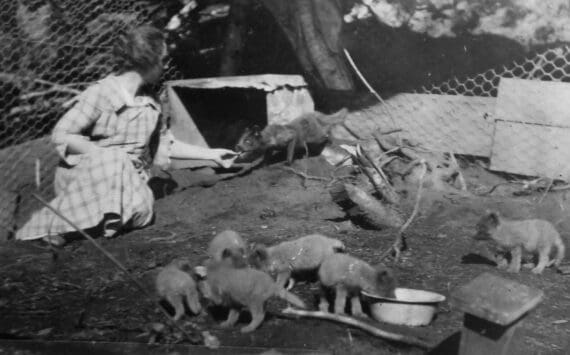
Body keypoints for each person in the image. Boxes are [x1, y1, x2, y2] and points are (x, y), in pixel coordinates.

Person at [16, 25, 237, 246]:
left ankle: (87, 224)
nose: (167, 64)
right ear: (148, 60)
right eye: (164, 58)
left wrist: (212, 155)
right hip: (88, 176)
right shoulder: (102, 93)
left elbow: (164, 145)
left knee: (143, 211)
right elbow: (62, 135)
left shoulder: (150, 101)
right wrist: (106, 156)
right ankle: (53, 226)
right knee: (116, 161)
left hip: (128, 180)